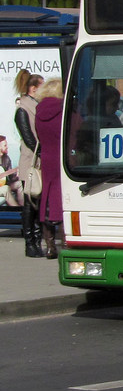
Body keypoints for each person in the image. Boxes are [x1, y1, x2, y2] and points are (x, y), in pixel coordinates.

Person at [13, 69, 45, 257]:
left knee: (38, 203)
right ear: (33, 88)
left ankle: (37, 239)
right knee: (30, 202)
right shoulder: (23, 110)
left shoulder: (35, 106)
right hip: (31, 162)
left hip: (38, 161)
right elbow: (29, 139)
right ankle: (30, 242)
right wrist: (43, 152)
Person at [34, 77, 64, 259]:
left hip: (47, 157)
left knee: (47, 199)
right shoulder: (63, 110)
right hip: (63, 157)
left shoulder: (39, 111)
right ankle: (66, 242)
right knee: (63, 199)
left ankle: (50, 245)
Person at [1, 135, 15, 208]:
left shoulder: (6, 158)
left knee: (19, 184)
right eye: (5, 145)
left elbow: (11, 177)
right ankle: (16, 209)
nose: (7, 147)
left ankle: (24, 208)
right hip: (3, 187)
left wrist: (17, 175)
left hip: (5, 184)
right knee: (5, 189)